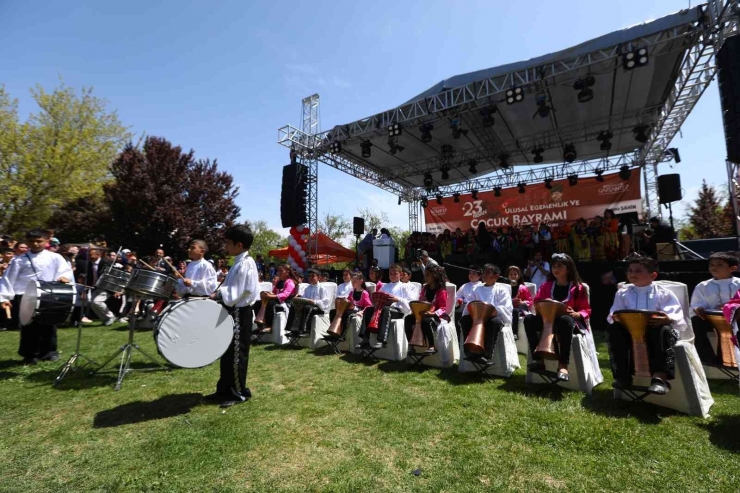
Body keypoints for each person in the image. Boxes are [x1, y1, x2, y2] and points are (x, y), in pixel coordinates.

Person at [607, 255, 686, 394]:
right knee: (614, 329)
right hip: (630, 330)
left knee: (663, 330)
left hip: (655, 329)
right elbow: (614, 313)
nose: (632, 274)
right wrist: (618, 318)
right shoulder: (623, 293)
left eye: (638, 271)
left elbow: (674, 313)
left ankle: (660, 378)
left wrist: (666, 318)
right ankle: (623, 376)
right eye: (630, 270)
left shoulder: (663, 293)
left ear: (652, 275)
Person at [206, 224, 259, 408]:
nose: (226, 246)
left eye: (228, 243)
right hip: (232, 311)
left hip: (240, 313)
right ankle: (224, 389)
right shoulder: (238, 262)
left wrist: (218, 295)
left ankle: (238, 392)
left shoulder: (246, 263)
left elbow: (237, 292)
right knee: (226, 352)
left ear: (239, 244)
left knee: (237, 354)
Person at [0, 229, 73, 363]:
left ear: (46, 241)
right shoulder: (19, 260)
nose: (35, 244)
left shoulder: (55, 257)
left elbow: (65, 271)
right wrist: (4, 297)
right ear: (27, 242)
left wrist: (63, 277)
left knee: (49, 323)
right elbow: (8, 279)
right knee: (29, 326)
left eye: (39, 241)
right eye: (32, 241)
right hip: (25, 295)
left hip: (48, 293)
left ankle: (49, 352)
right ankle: (29, 354)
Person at [524, 253, 590, 381]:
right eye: (554, 266)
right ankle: (538, 359)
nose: (556, 269)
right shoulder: (546, 286)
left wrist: (577, 314)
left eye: (560, 266)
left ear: (568, 269)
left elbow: (585, 309)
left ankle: (563, 364)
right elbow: (536, 303)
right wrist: (544, 304)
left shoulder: (577, 288)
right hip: (546, 320)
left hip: (566, 323)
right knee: (529, 319)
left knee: (565, 320)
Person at [689, 252, 740, 365]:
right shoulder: (703, 286)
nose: (714, 267)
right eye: (711, 264)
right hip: (712, 319)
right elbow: (695, 305)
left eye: (719, 265)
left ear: (732, 268)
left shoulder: (739, 283)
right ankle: (708, 358)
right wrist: (699, 308)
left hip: (736, 318)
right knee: (695, 322)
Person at [459, 264, 513, 364]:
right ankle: (469, 350)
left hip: (493, 317)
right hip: (477, 316)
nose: (484, 275)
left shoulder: (502, 290)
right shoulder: (477, 289)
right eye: (484, 272)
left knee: (495, 322)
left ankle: (486, 354)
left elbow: (506, 308)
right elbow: (470, 303)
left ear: (496, 276)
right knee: (465, 319)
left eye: (488, 273)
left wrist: (489, 309)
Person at [357, 264, 412, 349]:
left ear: (400, 274)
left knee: (386, 309)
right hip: (384, 309)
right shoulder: (385, 286)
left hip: (399, 310)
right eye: (391, 273)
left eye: (395, 274)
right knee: (369, 310)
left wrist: (397, 299)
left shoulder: (405, 286)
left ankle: (382, 340)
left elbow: (410, 304)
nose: (392, 276)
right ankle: (365, 338)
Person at [404, 265, 448, 353]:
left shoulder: (441, 291)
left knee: (426, 321)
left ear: (435, 275)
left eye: (428, 274)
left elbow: (443, 308)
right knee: (408, 318)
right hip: (422, 313)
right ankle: (411, 344)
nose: (425, 277)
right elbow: (420, 301)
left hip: (435, 315)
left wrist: (431, 313)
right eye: (425, 274)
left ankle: (431, 346)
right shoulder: (424, 288)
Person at [76, 247, 119, 326]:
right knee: (92, 303)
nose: (88, 256)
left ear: (98, 254)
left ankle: (111, 316)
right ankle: (105, 319)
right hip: (95, 287)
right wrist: (84, 291)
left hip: (106, 287)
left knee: (97, 302)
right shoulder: (88, 264)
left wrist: (117, 289)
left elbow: (114, 277)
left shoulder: (106, 263)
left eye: (90, 254)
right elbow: (88, 278)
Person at [326, 271, 372, 340]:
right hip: (350, 308)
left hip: (358, 310)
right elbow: (348, 301)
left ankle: (342, 334)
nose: (352, 283)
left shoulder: (364, 293)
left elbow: (369, 306)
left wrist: (362, 312)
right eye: (352, 281)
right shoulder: (352, 292)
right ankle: (333, 331)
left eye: (354, 282)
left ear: (361, 281)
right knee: (333, 311)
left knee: (347, 314)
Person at [253, 263, 298, 332]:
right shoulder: (279, 282)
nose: (279, 273)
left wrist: (271, 296)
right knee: (258, 303)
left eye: (281, 271)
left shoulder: (290, 282)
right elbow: (274, 292)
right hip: (276, 300)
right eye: (278, 271)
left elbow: (285, 295)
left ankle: (270, 326)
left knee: (270, 304)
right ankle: (261, 324)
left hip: (286, 303)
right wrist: (267, 294)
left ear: (287, 272)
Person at [289, 268, 330, 336]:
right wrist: (299, 297)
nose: (310, 278)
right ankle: (293, 329)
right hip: (308, 305)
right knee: (294, 306)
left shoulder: (321, 288)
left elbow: (325, 301)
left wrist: (315, 302)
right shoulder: (308, 287)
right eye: (309, 276)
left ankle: (306, 330)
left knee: (308, 308)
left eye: (313, 276)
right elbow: (305, 297)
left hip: (319, 308)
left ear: (318, 277)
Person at [507, 265, 533, 340]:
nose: (513, 276)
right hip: (507, 308)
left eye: (515, 274)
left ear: (518, 276)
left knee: (515, 311)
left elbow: (530, 300)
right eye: (511, 274)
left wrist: (522, 302)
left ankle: (514, 333)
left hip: (519, 309)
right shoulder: (504, 287)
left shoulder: (523, 288)